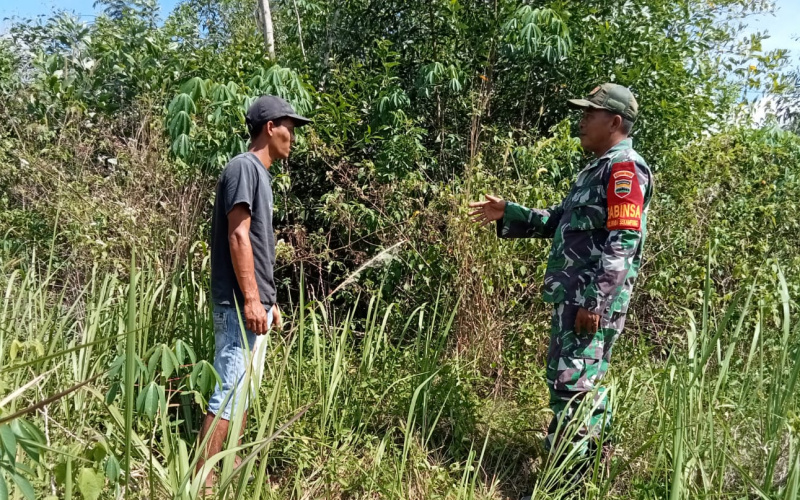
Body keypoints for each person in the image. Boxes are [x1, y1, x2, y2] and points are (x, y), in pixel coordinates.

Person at [469, 83, 653, 466]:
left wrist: (595, 301)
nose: (582, 120)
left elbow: (625, 239)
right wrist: (510, 212)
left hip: (589, 300)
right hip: (575, 297)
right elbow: (558, 222)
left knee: (572, 386)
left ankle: (564, 482)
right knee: (578, 383)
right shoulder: (596, 169)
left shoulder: (624, 168)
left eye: (591, 113)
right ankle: (591, 466)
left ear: (615, 121)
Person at [196, 95, 311, 492]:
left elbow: (256, 245)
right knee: (229, 387)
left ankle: (230, 457)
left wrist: (268, 299)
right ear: (270, 127)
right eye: (290, 129)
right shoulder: (244, 168)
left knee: (242, 387)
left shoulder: (259, 174)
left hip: (253, 300)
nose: (292, 138)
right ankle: (204, 475)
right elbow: (239, 234)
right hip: (236, 303)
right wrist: (249, 299)